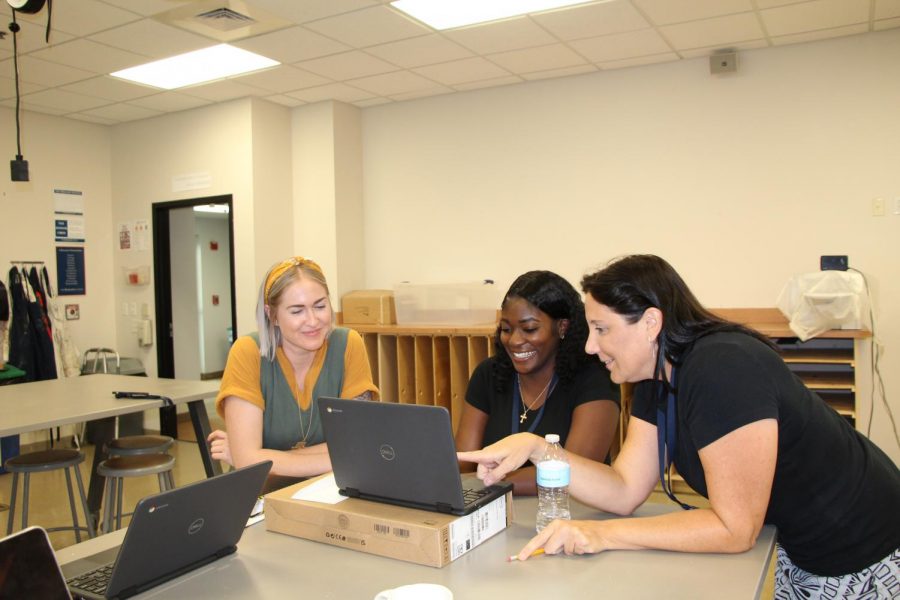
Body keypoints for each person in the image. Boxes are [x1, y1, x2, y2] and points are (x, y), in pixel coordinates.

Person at [459, 255, 900, 599]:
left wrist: (600, 534)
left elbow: (734, 528)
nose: (591, 347)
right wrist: (539, 448)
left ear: (651, 323)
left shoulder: (723, 367)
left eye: (601, 329)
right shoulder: (658, 375)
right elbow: (625, 488)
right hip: (800, 547)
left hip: (865, 550)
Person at [207, 257, 378, 491]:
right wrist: (335, 456)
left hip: (331, 488)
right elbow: (248, 464)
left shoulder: (349, 344)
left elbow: (358, 446)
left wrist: (259, 456)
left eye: (320, 306)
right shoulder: (247, 352)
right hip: (261, 494)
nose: (313, 320)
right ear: (272, 314)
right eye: (297, 311)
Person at [455, 270, 620, 495]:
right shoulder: (489, 374)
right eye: (506, 329)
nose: (514, 340)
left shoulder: (594, 378)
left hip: (569, 515)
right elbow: (463, 461)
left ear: (562, 327)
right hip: (495, 511)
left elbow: (574, 473)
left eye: (529, 329)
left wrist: (487, 482)